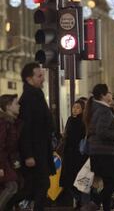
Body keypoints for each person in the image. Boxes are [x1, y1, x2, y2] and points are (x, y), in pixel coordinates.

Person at [18, 62, 56, 211]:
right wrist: (28, 155)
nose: (43, 79)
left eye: (43, 75)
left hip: (41, 149)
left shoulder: (37, 95)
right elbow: (25, 129)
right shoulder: (28, 99)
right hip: (34, 151)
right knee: (36, 186)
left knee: (40, 185)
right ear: (29, 79)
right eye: (39, 76)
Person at [83, 84, 114, 211]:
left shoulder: (95, 108)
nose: (111, 95)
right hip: (104, 152)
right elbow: (101, 131)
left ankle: (105, 206)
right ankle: (94, 203)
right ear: (103, 95)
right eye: (109, 93)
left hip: (97, 151)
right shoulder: (103, 110)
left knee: (108, 182)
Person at [59, 99, 87, 209]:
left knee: (78, 179)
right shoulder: (70, 120)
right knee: (68, 180)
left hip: (79, 154)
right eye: (74, 107)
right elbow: (67, 135)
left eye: (78, 108)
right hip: (69, 153)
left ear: (82, 110)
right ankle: (77, 200)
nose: (75, 109)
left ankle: (80, 202)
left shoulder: (83, 121)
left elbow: (80, 137)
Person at [0, 94, 21, 210]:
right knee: (12, 186)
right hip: (4, 162)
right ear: (8, 106)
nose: (19, 106)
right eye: (16, 103)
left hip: (9, 161)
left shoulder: (11, 122)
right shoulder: (4, 122)